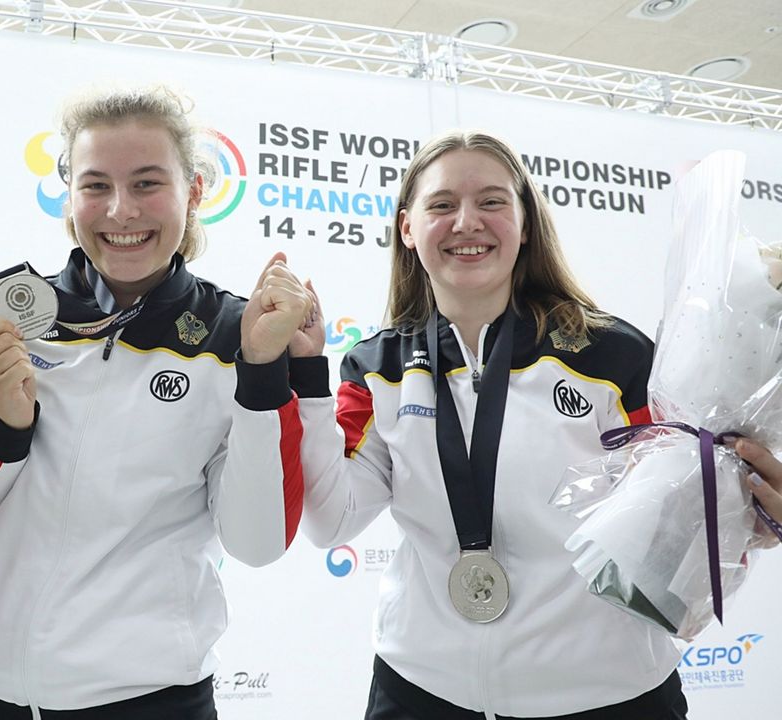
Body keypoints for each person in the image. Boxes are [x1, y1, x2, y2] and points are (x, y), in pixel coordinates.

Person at [268, 129, 782, 720]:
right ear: (408, 228)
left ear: (525, 223)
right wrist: (306, 373)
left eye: (491, 201)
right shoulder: (377, 367)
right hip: (423, 691)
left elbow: (688, 506)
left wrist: (744, 510)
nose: (467, 222)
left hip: (607, 696)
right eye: (442, 205)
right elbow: (333, 521)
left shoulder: (613, 358)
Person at [0, 86, 311, 720]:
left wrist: (263, 375)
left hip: (148, 696)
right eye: (96, 185)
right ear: (69, 194)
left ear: (196, 189)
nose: (121, 210)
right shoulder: (5, 319)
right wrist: (2, 427)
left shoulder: (238, 336)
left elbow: (258, 542)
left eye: (147, 183)